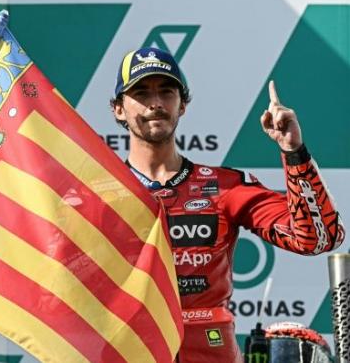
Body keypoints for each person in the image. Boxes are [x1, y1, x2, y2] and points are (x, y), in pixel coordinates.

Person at [110, 47, 344, 362]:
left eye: (166, 92)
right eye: (141, 93)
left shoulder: (225, 187)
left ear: (183, 106)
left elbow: (317, 238)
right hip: (128, 348)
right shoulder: (98, 192)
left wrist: (294, 152)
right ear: (118, 109)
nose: (155, 103)